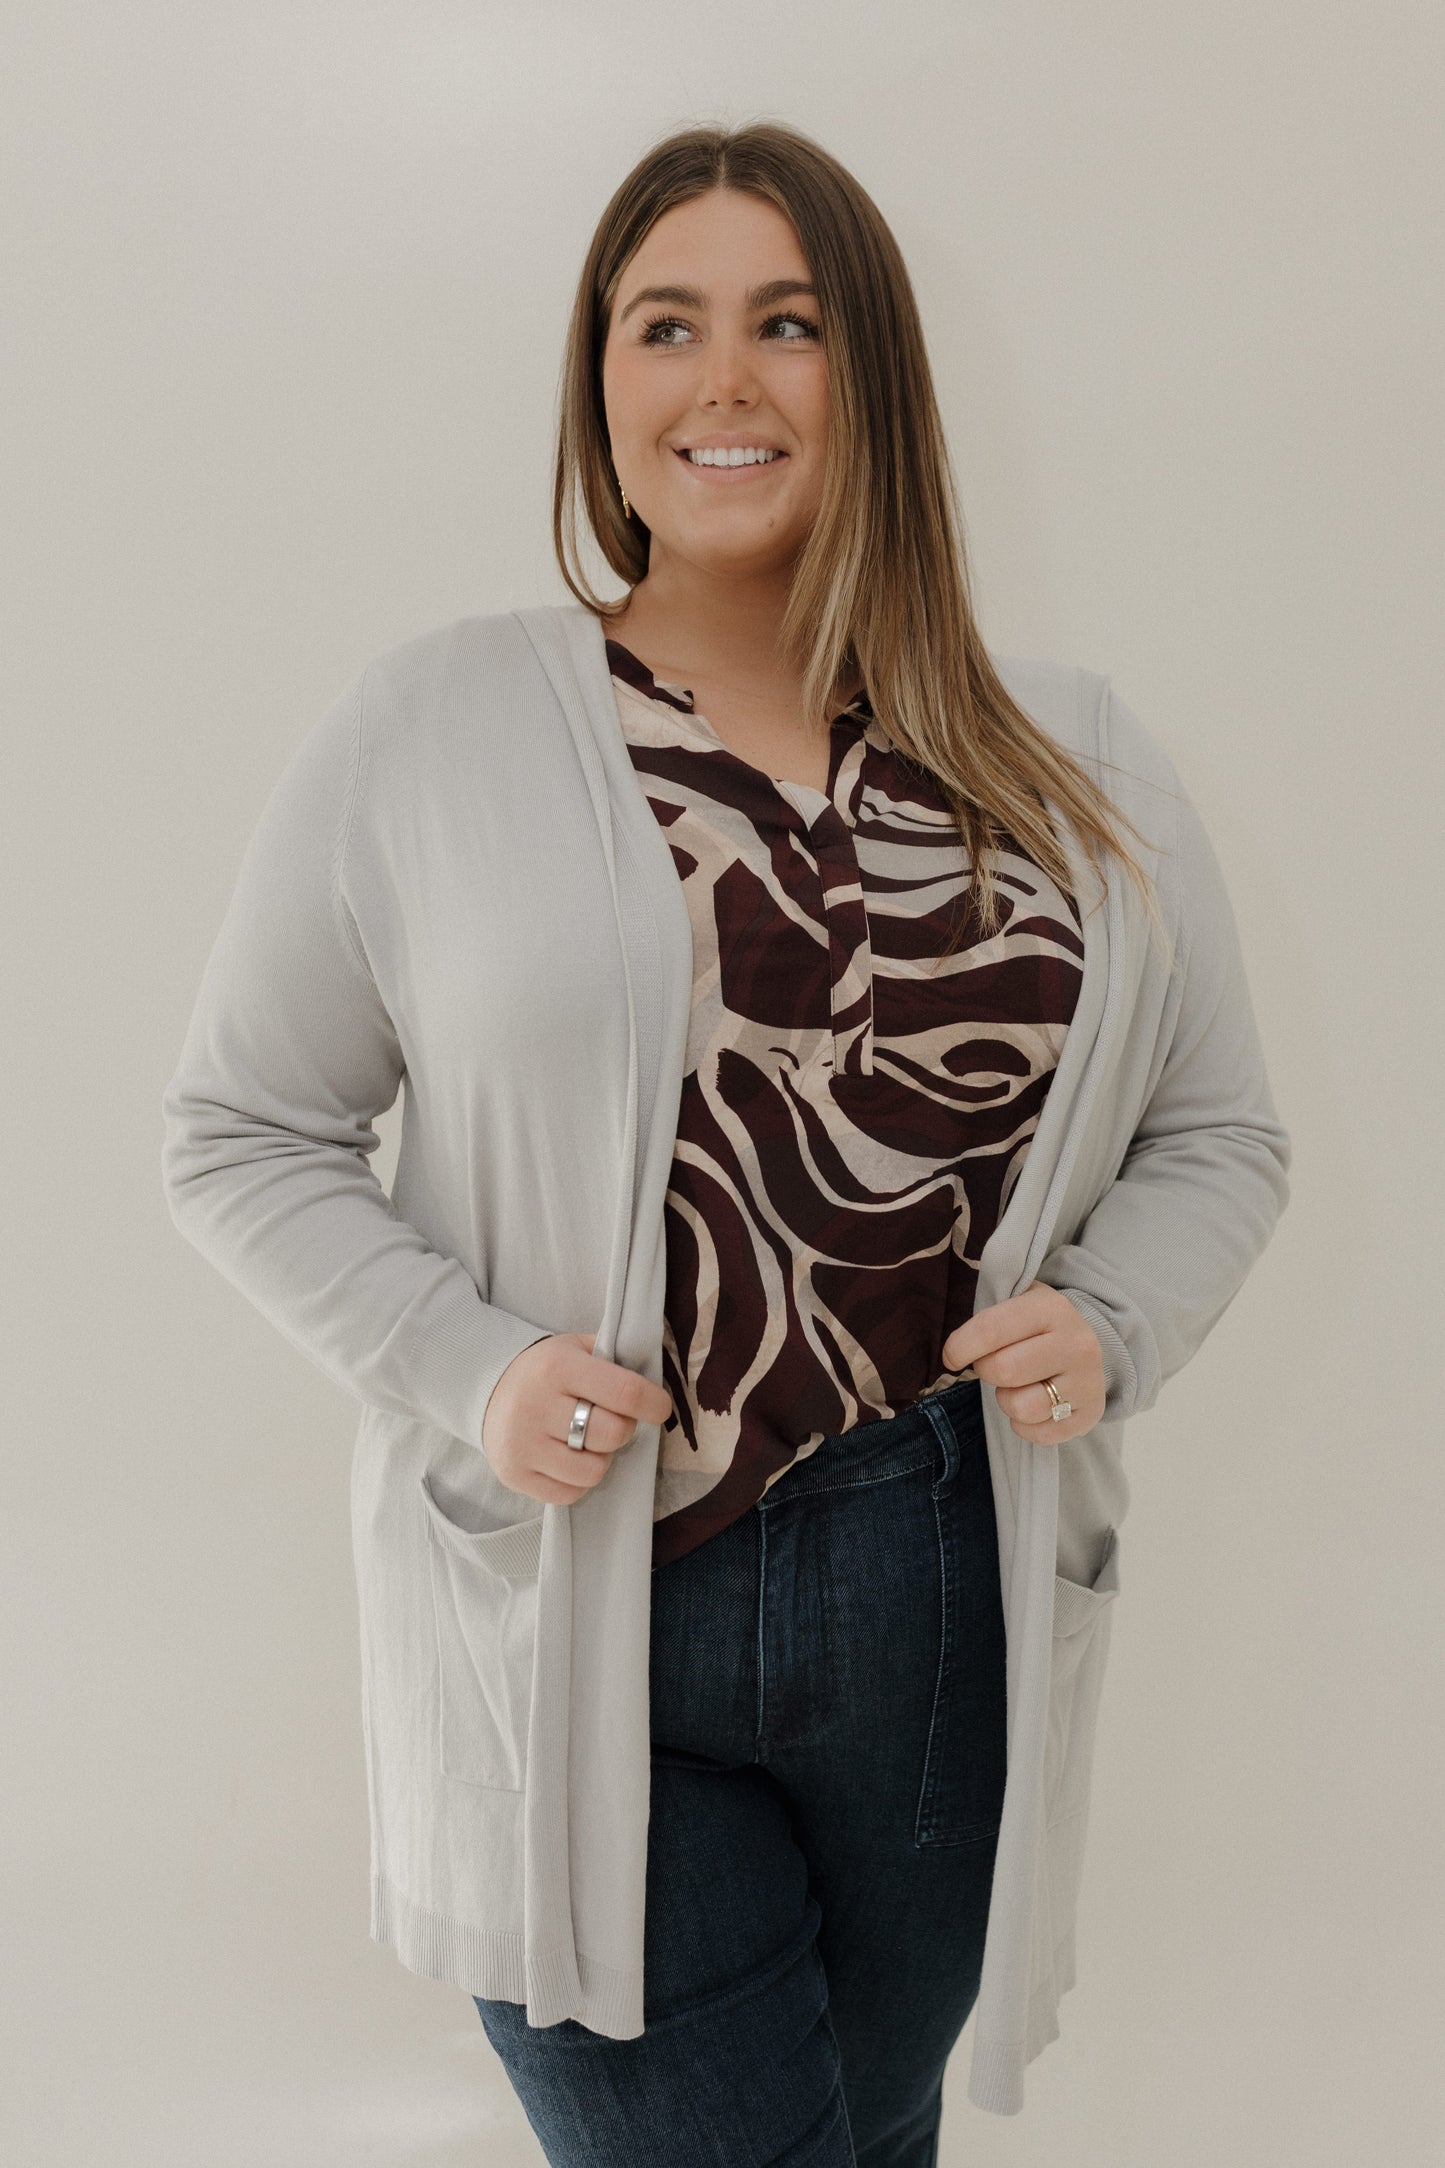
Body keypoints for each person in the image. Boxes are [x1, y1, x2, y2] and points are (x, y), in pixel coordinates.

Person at [161, 121, 1291, 2165]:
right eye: (665, 324)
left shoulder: (1077, 761)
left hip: (937, 1590)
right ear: (603, 384)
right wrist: (470, 1366)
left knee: (872, 2139)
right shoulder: (433, 734)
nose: (726, 379)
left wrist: (1115, 1318)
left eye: (789, 322)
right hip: (582, 1604)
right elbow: (241, 1128)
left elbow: (1220, 1132)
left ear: (874, 376)